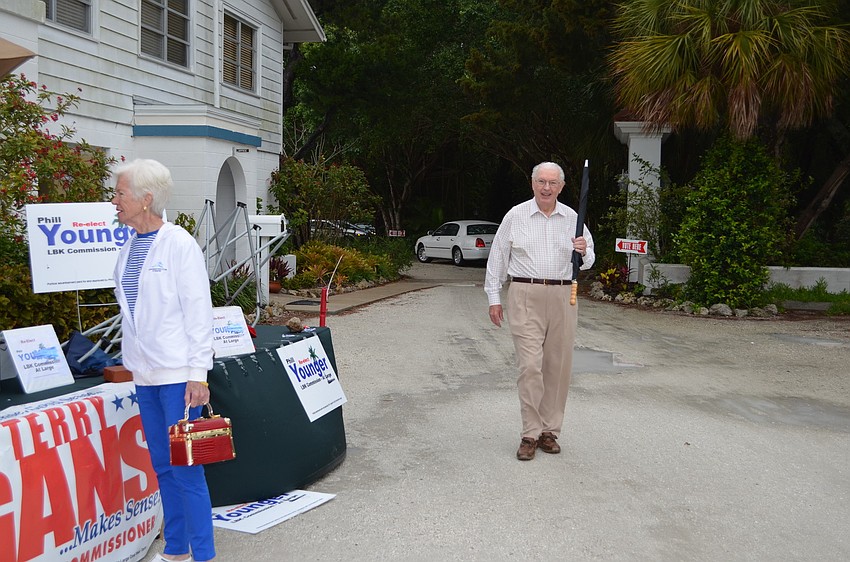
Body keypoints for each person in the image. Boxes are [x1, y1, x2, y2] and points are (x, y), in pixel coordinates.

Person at [112, 159, 216, 561]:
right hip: (146, 376)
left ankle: (203, 555)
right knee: (162, 467)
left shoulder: (178, 244)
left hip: (178, 378)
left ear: (145, 198)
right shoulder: (127, 248)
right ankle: (176, 550)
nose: (115, 201)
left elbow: (198, 311)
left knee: (187, 470)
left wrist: (197, 374)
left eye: (121, 193)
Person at [484, 161, 595, 461]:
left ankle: (550, 431)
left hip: (562, 294)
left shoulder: (573, 217)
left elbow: (589, 259)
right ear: (532, 184)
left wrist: (583, 251)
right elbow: (497, 258)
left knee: (557, 367)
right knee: (530, 365)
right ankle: (530, 433)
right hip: (524, 293)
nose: (546, 188)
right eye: (541, 181)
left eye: (552, 183)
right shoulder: (515, 216)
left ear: (561, 187)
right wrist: (494, 297)